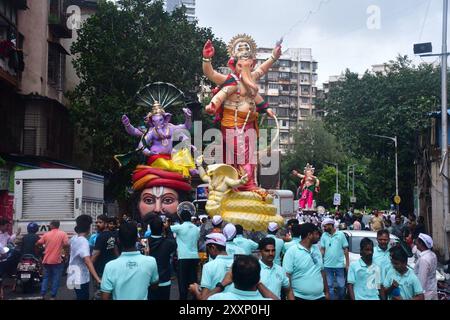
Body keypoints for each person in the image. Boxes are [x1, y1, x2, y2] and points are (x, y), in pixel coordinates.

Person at [101, 222, 159, 300]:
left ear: (118, 240)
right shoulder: (151, 261)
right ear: (137, 239)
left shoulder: (110, 266)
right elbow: (154, 285)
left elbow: (105, 297)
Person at [283, 223, 329, 300]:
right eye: (316, 234)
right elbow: (287, 276)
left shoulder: (316, 249)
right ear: (309, 235)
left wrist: (327, 293)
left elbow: (322, 271)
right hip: (299, 297)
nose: (318, 236)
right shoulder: (292, 251)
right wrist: (290, 297)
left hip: (320, 297)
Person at [208, 255, 277, 300]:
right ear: (258, 279)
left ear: (232, 277)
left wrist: (222, 284)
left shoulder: (218, 298)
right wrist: (259, 283)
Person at [189, 233, 234, 300]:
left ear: (213, 248)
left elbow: (203, 298)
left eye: (208, 250)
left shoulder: (209, 266)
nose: (208, 253)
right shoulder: (237, 263)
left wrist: (195, 290)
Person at [67, 215, 101, 300]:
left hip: (72, 273)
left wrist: (69, 254)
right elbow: (87, 261)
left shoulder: (74, 238)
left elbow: (66, 244)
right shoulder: (83, 241)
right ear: (88, 228)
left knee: (79, 296)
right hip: (80, 276)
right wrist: (97, 278)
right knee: (83, 297)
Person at [170, 205, 200, 300]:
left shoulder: (179, 227)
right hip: (195, 256)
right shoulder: (197, 228)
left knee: (183, 282)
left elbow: (167, 227)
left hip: (183, 257)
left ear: (181, 218)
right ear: (191, 217)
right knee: (193, 280)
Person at [36, 220, 69, 300]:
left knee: (46, 277)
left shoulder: (46, 234)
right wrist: (65, 253)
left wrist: (41, 248)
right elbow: (66, 244)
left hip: (47, 260)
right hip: (57, 260)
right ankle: (53, 296)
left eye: (50, 224)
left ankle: (42, 294)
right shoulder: (63, 234)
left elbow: (38, 243)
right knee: (56, 278)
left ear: (52, 225)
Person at [148, 216, 177, 300]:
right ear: (162, 228)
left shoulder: (145, 242)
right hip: (164, 281)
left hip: (150, 281)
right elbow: (174, 243)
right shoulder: (167, 242)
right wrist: (168, 229)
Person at [320, 218, 349, 300]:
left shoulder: (340, 234)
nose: (324, 228)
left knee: (342, 286)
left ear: (331, 225)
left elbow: (346, 249)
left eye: (325, 226)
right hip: (327, 265)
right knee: (329, 286)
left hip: (339, 266)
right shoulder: (324, 235)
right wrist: (320, 261)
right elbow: (322, 249)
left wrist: (347, 264)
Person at [0, 219, 21, 300]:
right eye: (6, 226)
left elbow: (10, 240)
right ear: (1, 225)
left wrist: (16, 234)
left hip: (4, 256)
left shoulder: (5, 234)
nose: (7, 227)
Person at [414, 233, 437, 300]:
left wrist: (418, 295)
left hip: (426, 293)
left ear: (421, 243)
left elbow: (422, 279)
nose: (416, 243)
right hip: (432, 288)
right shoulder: (432, 254)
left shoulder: (424, 259)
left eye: (417, 241)